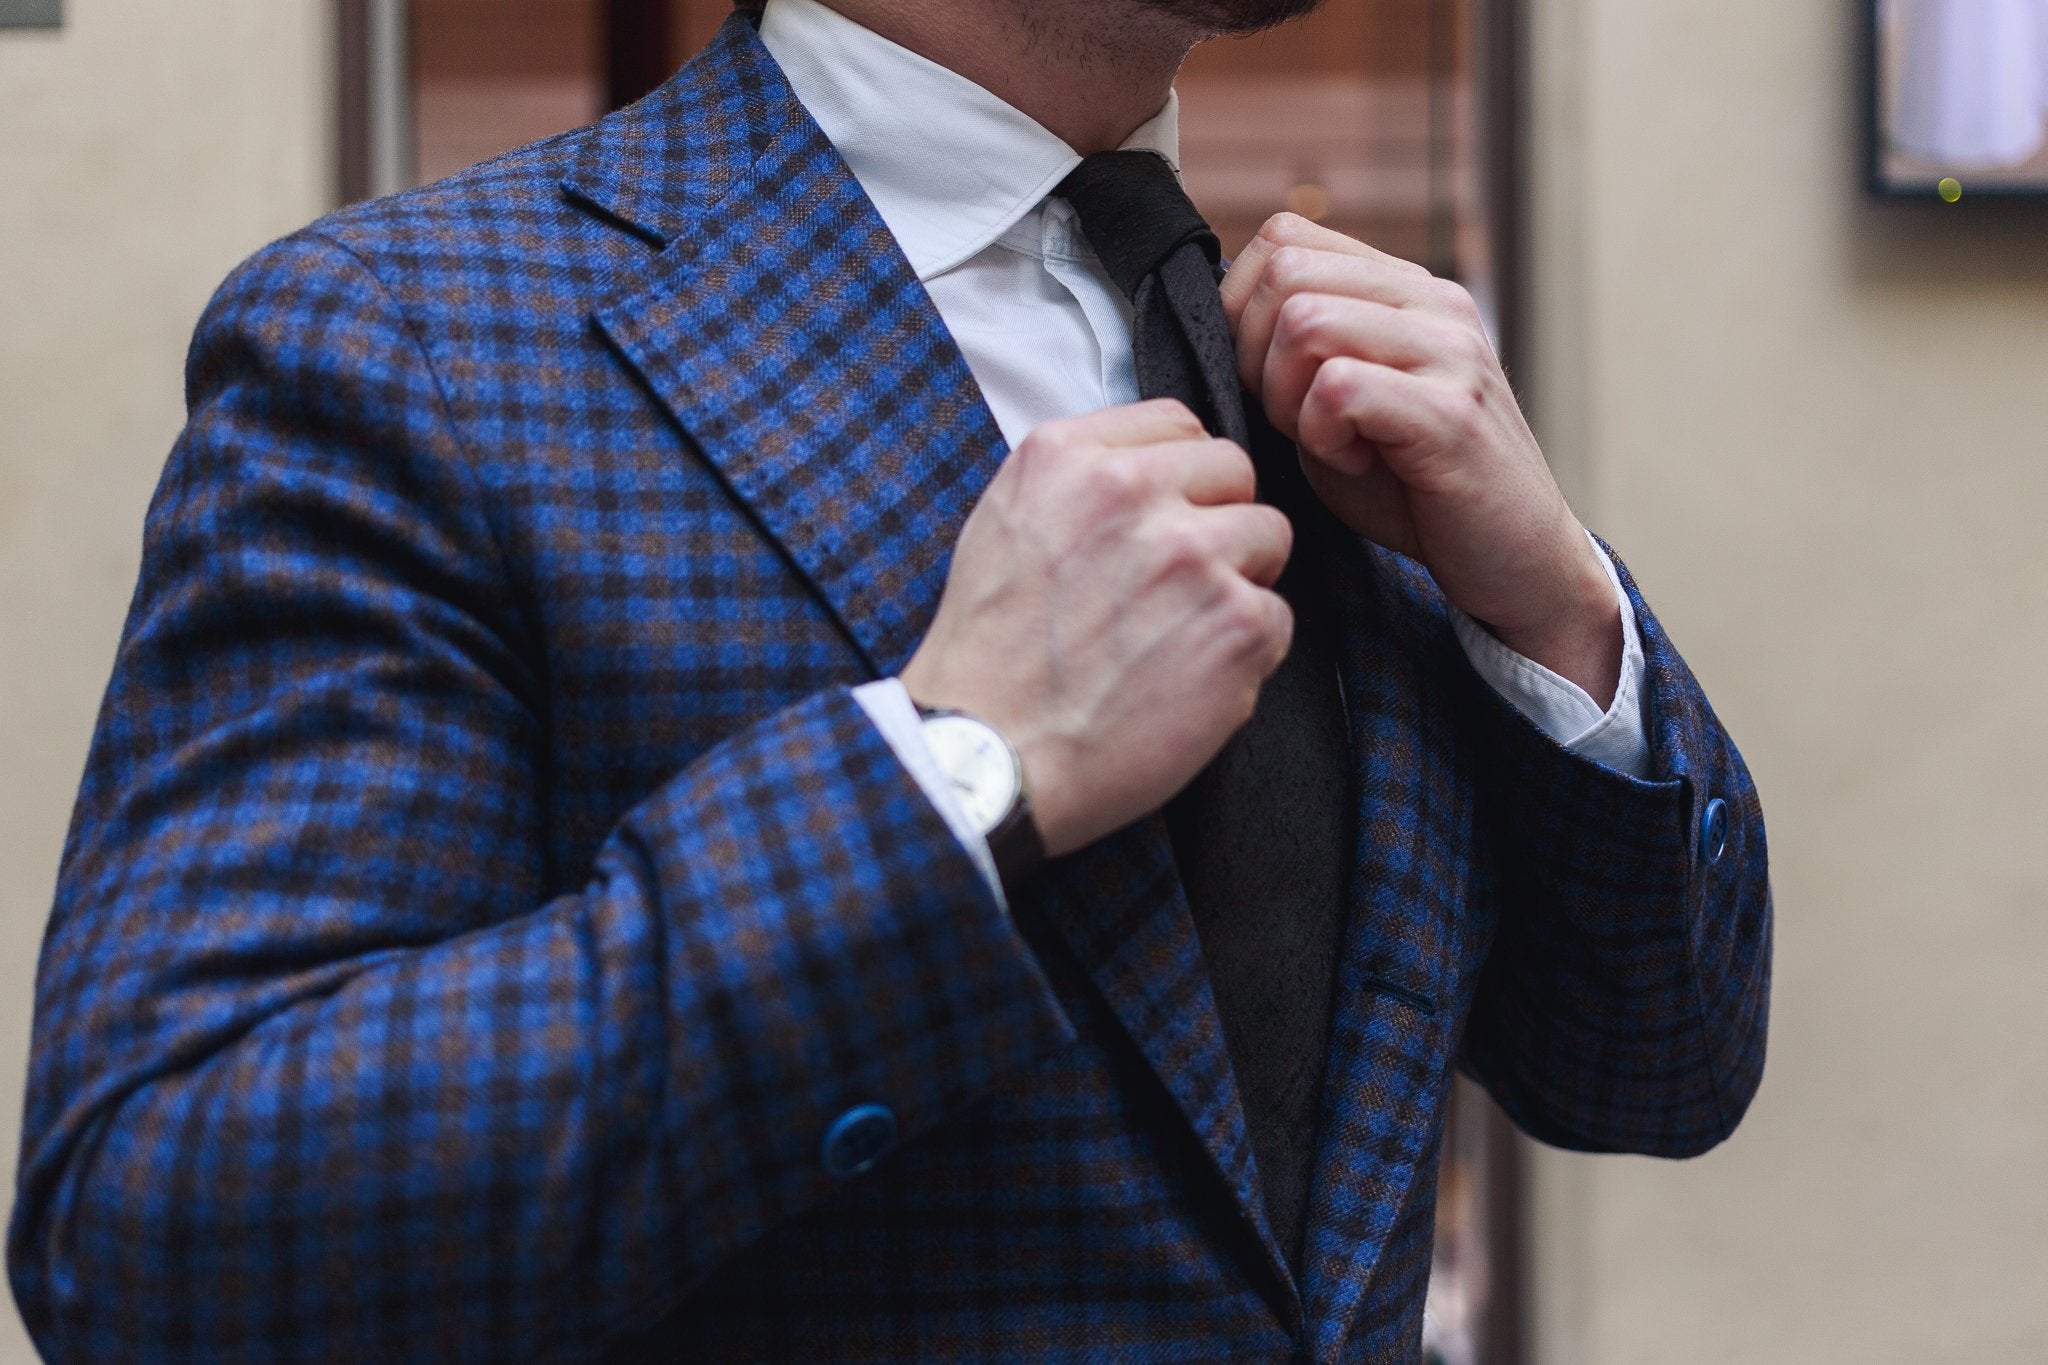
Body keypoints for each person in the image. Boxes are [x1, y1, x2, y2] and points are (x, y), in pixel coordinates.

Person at [7, 0, 1771, 1359]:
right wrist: (951, 777)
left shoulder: (1334, 402)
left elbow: (1658, 1068)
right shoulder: (415, 345)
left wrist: (1556, 615)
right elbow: (166, 1232)